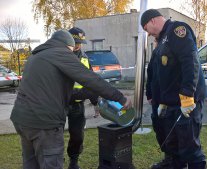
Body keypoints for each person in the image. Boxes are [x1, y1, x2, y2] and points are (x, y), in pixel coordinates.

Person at [10, 29, 132, 169]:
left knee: (30, 163)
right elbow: (91, 79)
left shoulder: (36, 56)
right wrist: (120, 97)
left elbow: (53, 88)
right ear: (66, 45)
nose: (72, 51)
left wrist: (91, 97)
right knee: (51, 163)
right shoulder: (61, 53)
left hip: (22, 119)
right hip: (44, 122)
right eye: (71, 48)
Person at [141, 9, 207, 169]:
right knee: (171, 144)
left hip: (184, 103)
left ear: (152, 21)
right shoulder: (162, 39)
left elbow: (190, 62)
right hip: (168, 104)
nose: (148, 34)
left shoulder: (177, 31)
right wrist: (151, 94)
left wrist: (187, 95)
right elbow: (155, 70)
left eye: (146, 29)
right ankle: (172, 164)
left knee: (190, 148)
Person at [67, 27, 99, 169]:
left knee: (77, 136)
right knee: (52, 134)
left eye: (80, 42)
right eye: (75, 42)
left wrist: (95, 101)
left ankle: (74, 161)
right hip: (59, 103)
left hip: (77, 105)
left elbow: (92, 81)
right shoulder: (59, 55)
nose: (78, 45)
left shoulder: (85, 57)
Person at [146, 40, 173, 169]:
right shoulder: (155, 53)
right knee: (159, 128)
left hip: (168, 100)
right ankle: (168, 159)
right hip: (156, 100)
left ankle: (175, 161)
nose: (155, 42)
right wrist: (149, 94)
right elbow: (150, 74)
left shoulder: (172, 52)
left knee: (170, 130)